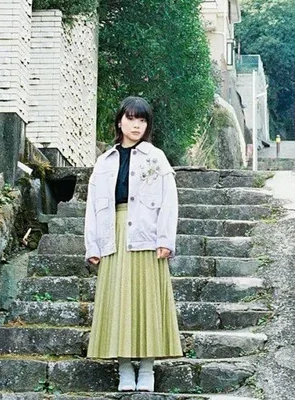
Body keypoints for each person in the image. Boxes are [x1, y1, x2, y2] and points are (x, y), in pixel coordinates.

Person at [84, 96, 182, 392]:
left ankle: (148, 368)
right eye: (130, 118)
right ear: (119, 122)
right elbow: (93, 206)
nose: (136, 125)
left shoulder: (157, 157)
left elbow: (169, 201)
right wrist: (93, 246)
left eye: (142, 120)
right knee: (118, 302)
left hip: (146, 235)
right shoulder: (104, 162)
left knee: (148, 301)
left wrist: (165, 239)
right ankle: (125, 368)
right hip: (112, 234)